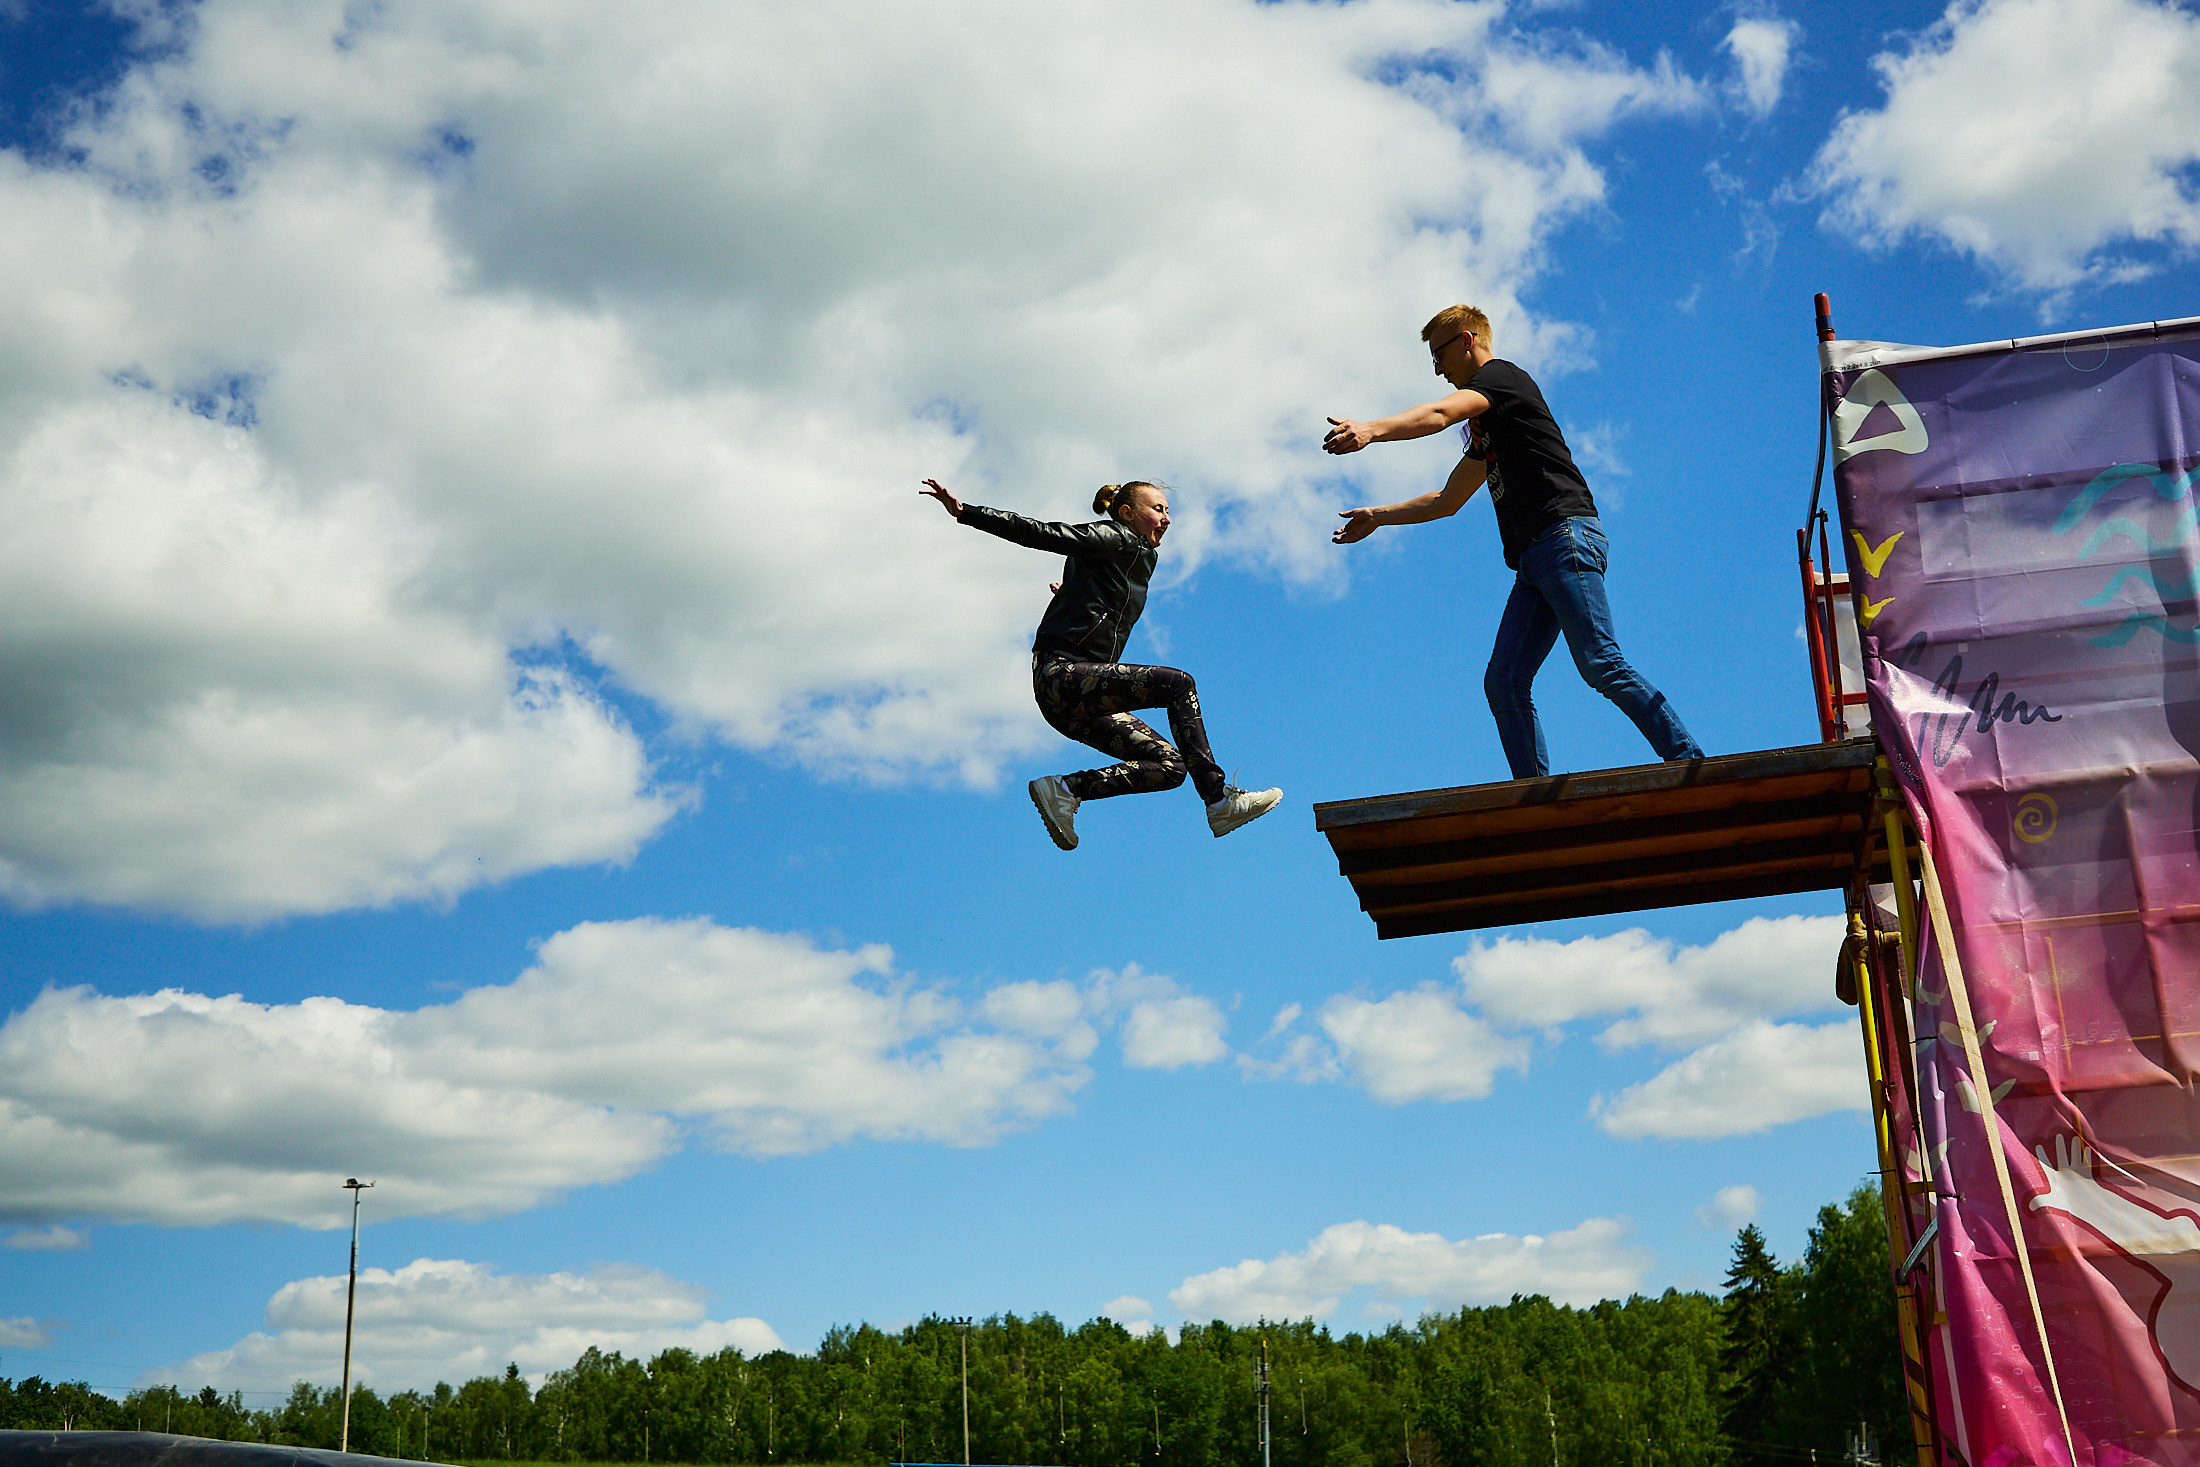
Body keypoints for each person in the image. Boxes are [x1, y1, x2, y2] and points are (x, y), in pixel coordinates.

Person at [1322, 304, 1702, 779]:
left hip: (1564, 537)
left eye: (1439, 355)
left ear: (1466, 341)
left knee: (1600, 662)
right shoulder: (1491, 425)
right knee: (1503, 682)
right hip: (1534, 562)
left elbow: (1440, 414)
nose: (1438, 369)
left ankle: (1690, 762)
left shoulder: (1502, 380)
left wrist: (1371, 430)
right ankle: (1534, 796)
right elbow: (1446, 499)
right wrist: (1378, 516)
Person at [919, 476, 1282, 849]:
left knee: (1170, 767)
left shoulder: (1135, 559)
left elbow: (1093, 596)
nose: (1167, 518)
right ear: (1127, 513)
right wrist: (966, 513)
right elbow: (1042, 533)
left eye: (1168, 510)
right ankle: (1220, 801)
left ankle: (1065, 790)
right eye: (1157, 509)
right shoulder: (1114, 537)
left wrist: (1073, 598)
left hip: (1081, 701)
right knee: (1179, 684)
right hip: (1062, 677)